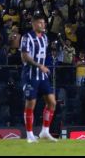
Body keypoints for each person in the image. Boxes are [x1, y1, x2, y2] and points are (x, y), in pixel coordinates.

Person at [20, 14, 57, 143]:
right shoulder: (27, 37)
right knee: (31, 104)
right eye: (40, 22)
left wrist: (44, 67)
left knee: (52, 102)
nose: (43, 25)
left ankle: (45, 131)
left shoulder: (45, 38)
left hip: (42, 76)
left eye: (44, 22)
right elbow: (24, 56)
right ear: (34, 24)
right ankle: (29, 135)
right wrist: (39, 65)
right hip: (30, 75)